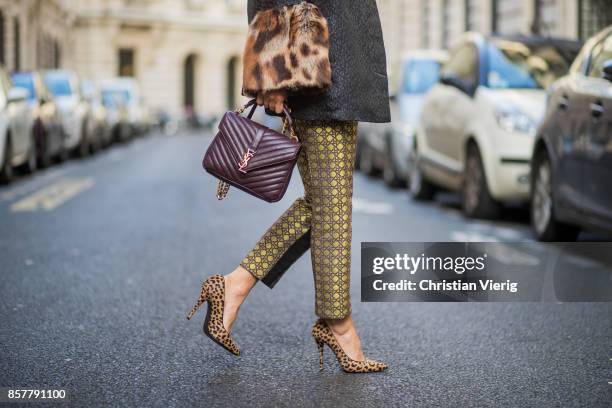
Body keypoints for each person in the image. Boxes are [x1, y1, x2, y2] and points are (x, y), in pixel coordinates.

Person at [187, 0, 391, 373]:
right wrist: (272, 69)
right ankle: (337, 324)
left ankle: (234, 286)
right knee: (331, 205)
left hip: (335, 63)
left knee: (326, 205)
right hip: (314, 68)